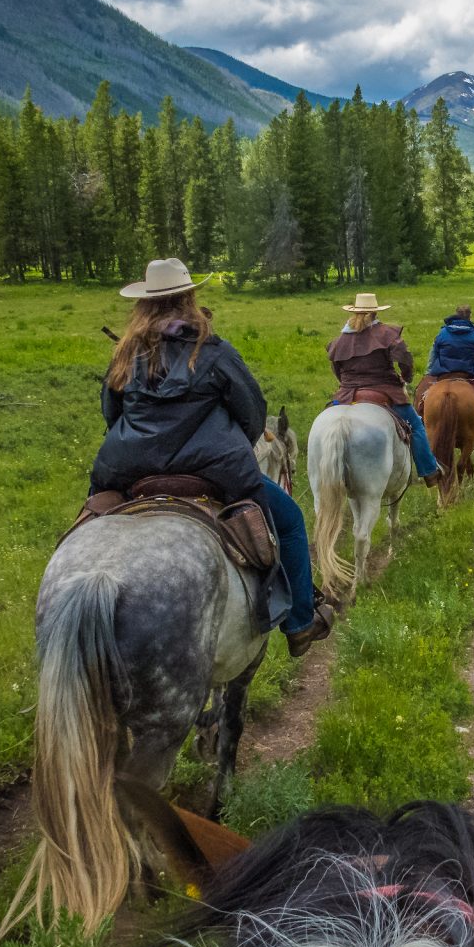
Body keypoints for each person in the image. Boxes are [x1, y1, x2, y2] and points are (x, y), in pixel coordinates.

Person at [88, 258, 333, 656]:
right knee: (288, 521)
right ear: (188, 298)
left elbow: (110, 415)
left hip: (127, 467)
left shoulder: (125, 353)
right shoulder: (214, 352)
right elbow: (253, 414)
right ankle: (300, 622)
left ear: (144, 305)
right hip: (215, 470)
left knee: (90, 518)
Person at [327, 292, 445, 486]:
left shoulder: (340, 339)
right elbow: (405, 358)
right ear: (375, 313)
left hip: (348, 393)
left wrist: (347, 383)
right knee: (415, 426)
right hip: (384, 390)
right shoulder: (387, 334)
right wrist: (406, 378)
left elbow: (336, 368)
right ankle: (429, 470)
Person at [416, 305, 474, 438]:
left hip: (443, 375)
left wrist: (432, 371)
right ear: (470, 316)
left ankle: (419, 425)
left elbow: (434, 354)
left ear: (456, 315)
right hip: (469, 375)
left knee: (421, 395)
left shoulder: (442, 333)